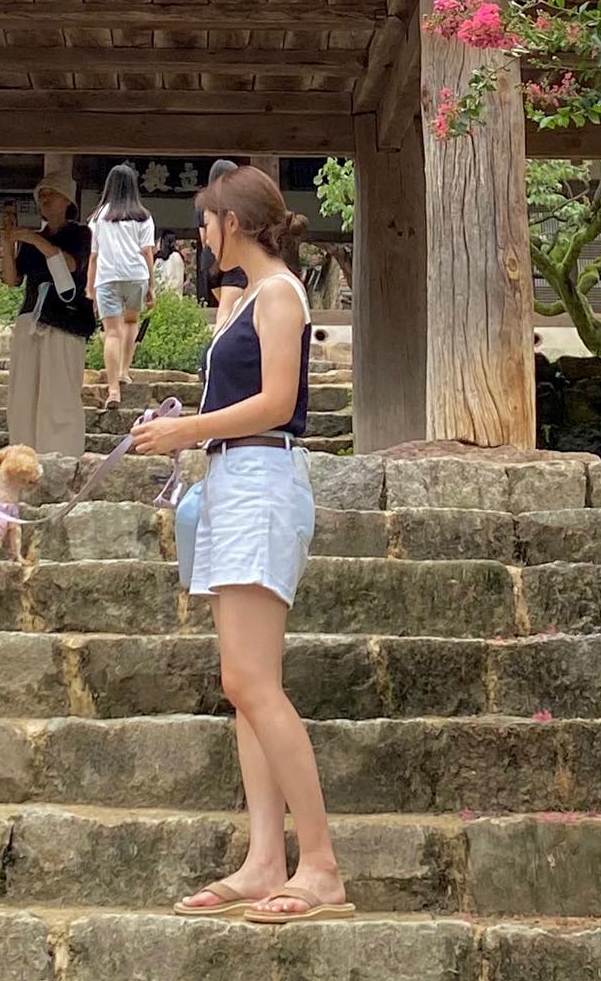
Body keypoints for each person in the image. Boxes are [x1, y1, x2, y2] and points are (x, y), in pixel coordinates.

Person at [133, 165, 350, 927]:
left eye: (206, 221)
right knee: (242, 681)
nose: (200, 235)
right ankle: (265, 859)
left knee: (254, 681)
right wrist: (183, 432)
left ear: (233, 222)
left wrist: (186, 430)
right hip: (232, 480)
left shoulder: (282, 294)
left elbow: (279, 401)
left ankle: (319, 865)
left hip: (261, 479)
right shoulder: (249, 297)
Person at [1, 176, 94, 457]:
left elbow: (71, 264)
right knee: (24, 393)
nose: (45, 199)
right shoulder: (31, 240)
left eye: (51, 194)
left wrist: (32, 238)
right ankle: (23, 454)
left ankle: (62, 456)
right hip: (31, 317)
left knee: (59, 393)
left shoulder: (81, 234)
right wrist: (7, 242)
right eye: (41, 195)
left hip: (64, 321)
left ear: (67, 200)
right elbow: (12, 279)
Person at [86, 163, 156, 410]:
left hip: (107, 277)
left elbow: (93, 256)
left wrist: (90, 287)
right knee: (131, 322)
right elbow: (147, 252)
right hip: (136, 276)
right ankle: (125, 370)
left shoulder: (98, 218)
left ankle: (113, 388)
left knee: (112, 333)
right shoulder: (143, 216)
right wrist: (151, 285)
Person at [197, 158, 247, 324]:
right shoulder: (237, 204)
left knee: (223, 310)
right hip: (232, 262)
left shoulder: (203, 205)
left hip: (209, 261)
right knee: (229, 313)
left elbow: (204, 238)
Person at [156, 231, 187, 295]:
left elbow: (178, 279)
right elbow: (155, 276)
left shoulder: (176, 257)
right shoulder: (159, 259)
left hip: (172, 295)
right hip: (159, 293)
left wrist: (167, 290)